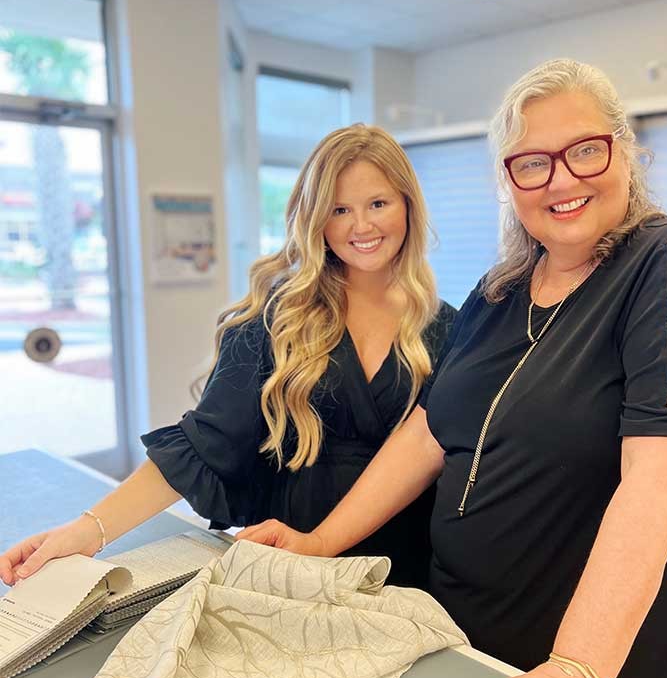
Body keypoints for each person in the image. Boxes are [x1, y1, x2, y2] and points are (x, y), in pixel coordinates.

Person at [235, 61, 667, 678]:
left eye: (585, 150)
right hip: (461, 632)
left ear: (626, 152)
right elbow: (429, 430)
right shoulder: (498, 291)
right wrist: (319, 540)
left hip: (599, 660)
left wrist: (573, 671)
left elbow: (661, 475)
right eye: (530, 162)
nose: (559, 179)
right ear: (509, 182)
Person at [0, 124, 456, 591]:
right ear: (316, 218)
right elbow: (202, 445)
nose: (361, 226)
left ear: (408, 205)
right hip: (287, 553)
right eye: (339, 209)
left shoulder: (449, 330)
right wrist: (85, 532)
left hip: (406, 564)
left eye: (378, 204)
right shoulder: (277, 318)